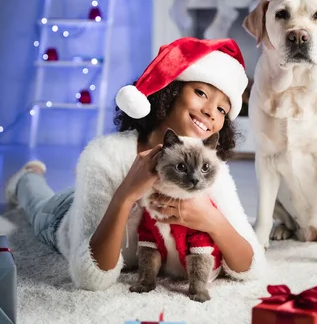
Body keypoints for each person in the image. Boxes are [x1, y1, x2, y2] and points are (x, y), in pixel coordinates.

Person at [5, 37, 266, 291]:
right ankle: (28, 177)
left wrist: (212, 220)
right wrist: (126, 194)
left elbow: (252, 267)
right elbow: (90, 277)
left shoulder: (209, 167)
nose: (211, 111)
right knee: (36, 203)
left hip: (95, 192)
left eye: (222, 109)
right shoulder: (104, 154)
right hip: (63, 215)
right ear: (171, 92)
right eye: (201, 93)